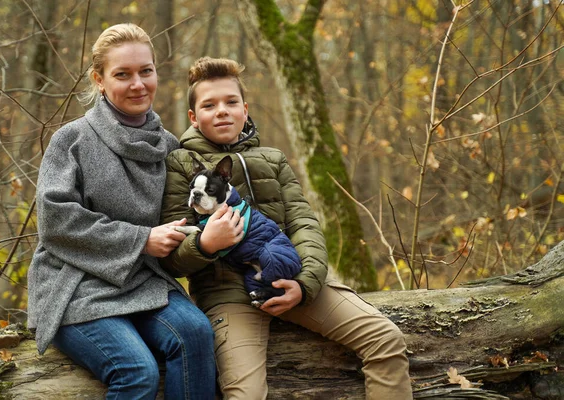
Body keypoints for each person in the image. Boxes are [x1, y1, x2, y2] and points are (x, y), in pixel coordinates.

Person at [159, 56, 414, 399]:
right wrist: (205, 244)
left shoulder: (273, 158)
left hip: (292, 276)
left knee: (385, 339)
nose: (222, 111)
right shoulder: (181, 163)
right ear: (193, 116)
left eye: (231, 102)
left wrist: (304, 283)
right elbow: (172, 256)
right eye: (209, 105)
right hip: (229, 296)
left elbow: (304, 223)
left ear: (245, 109)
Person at [26, 24, 233, 399]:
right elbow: (55, 221)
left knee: (196, 334)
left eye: (145, 71)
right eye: (122, 74)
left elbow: (198, 207)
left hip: (143, 281)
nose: (138, 84)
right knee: (137, 371)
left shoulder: (169, 146)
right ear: (99, 80)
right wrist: (141, 240)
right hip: (76, 284)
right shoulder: (72, 140)